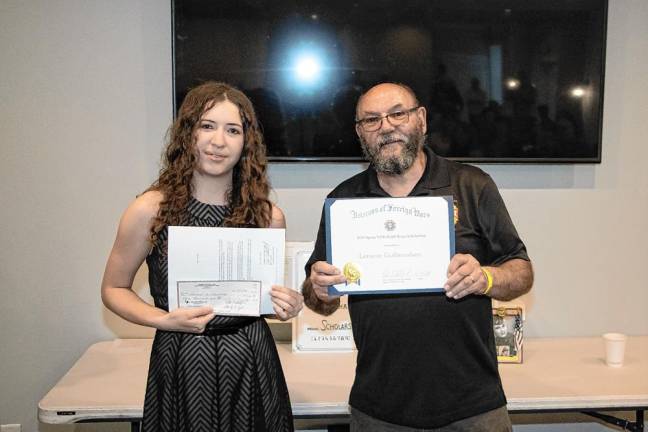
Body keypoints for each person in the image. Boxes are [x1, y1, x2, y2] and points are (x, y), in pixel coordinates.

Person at [302, 83, 533, 431]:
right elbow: (319, 300)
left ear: (421, 119)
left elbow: (521, 271)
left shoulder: (472, 185)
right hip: (378, 410)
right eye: (371, 119)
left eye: (398, 113)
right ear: (359, 132)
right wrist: (319, 289)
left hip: (473, 408)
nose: (387, 126)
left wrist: (485, 278)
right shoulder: (343, 201)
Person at [101, 81, 302, 432]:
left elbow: (266, 302)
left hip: (252, 361)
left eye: (233, 130)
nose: (218, 141)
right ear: (187, 134)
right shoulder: (150, 209)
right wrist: (162, 321)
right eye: (207, 125)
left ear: (247, 142)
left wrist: (288, 304)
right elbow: (114, 289)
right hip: (181, 359)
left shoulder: (268, 216)